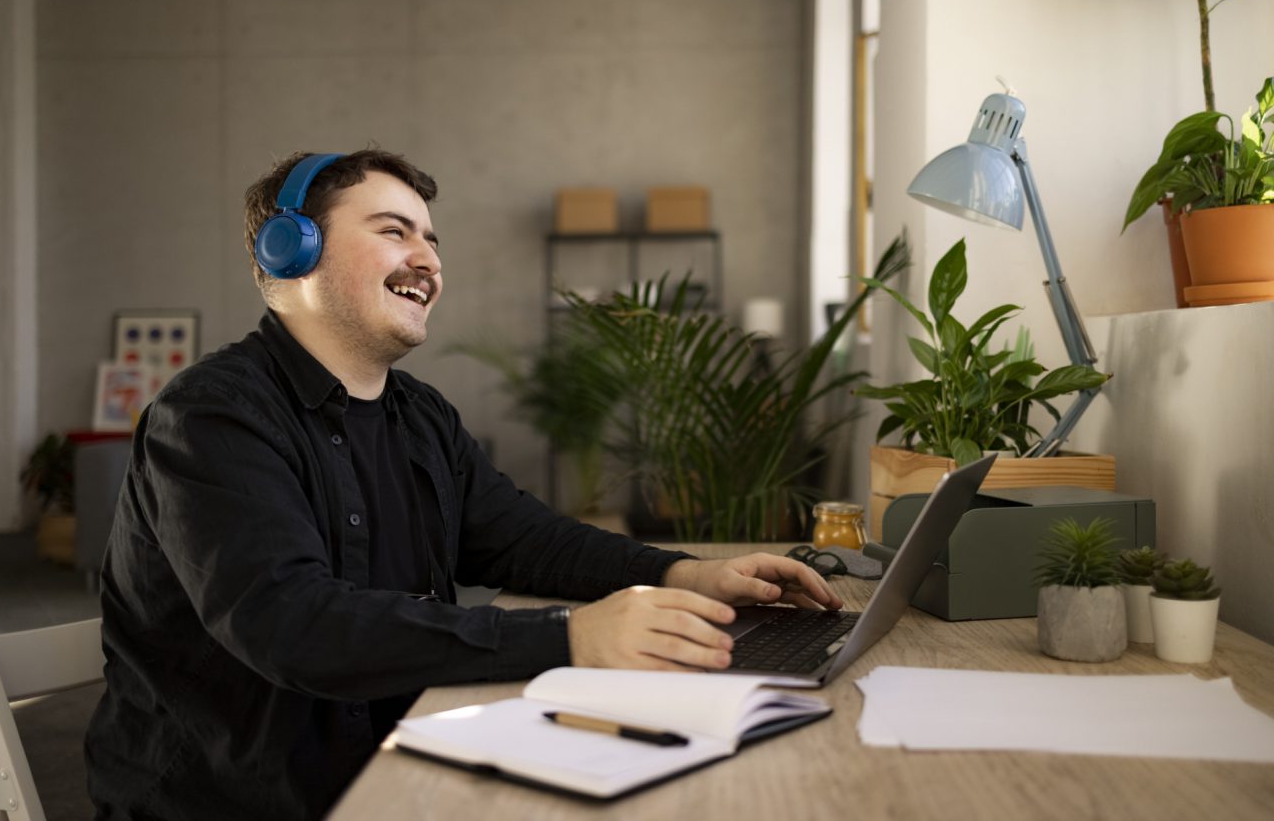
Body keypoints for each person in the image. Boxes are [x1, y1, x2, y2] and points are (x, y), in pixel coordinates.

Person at [84, 149, 839, 820]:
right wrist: (571, 637)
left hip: (402, 759)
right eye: (394, 230)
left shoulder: (420, 416)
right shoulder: (212, 417)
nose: (428, 260)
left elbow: (521, 539)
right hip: (246, 798)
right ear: (292, 250)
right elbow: (292, 625)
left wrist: (686, 572)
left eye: (432, 241)